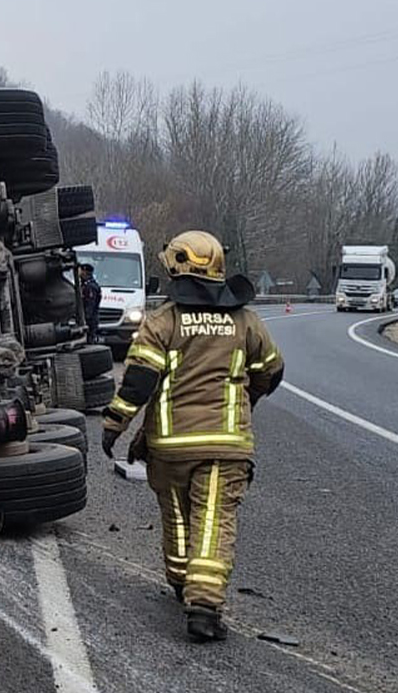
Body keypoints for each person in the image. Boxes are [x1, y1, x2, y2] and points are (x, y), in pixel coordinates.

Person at [99, 230, 284, 642]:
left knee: (179, 517)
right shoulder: (245, 321)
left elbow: (138, 384)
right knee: (214, 521)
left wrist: (114, 425)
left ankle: (183, 581)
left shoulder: (162, 322)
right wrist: (245, 399)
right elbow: (272, 370)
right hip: (225, 446)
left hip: (168, 448)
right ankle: (203, 605)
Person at [80, 263, 101, 343]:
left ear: (84, 272)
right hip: (89, 319)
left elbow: (90, 304)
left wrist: (86, 318)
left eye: (81, 270)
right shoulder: (85, 285)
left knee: (89, 341)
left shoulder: (90, 287)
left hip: (90, 320)